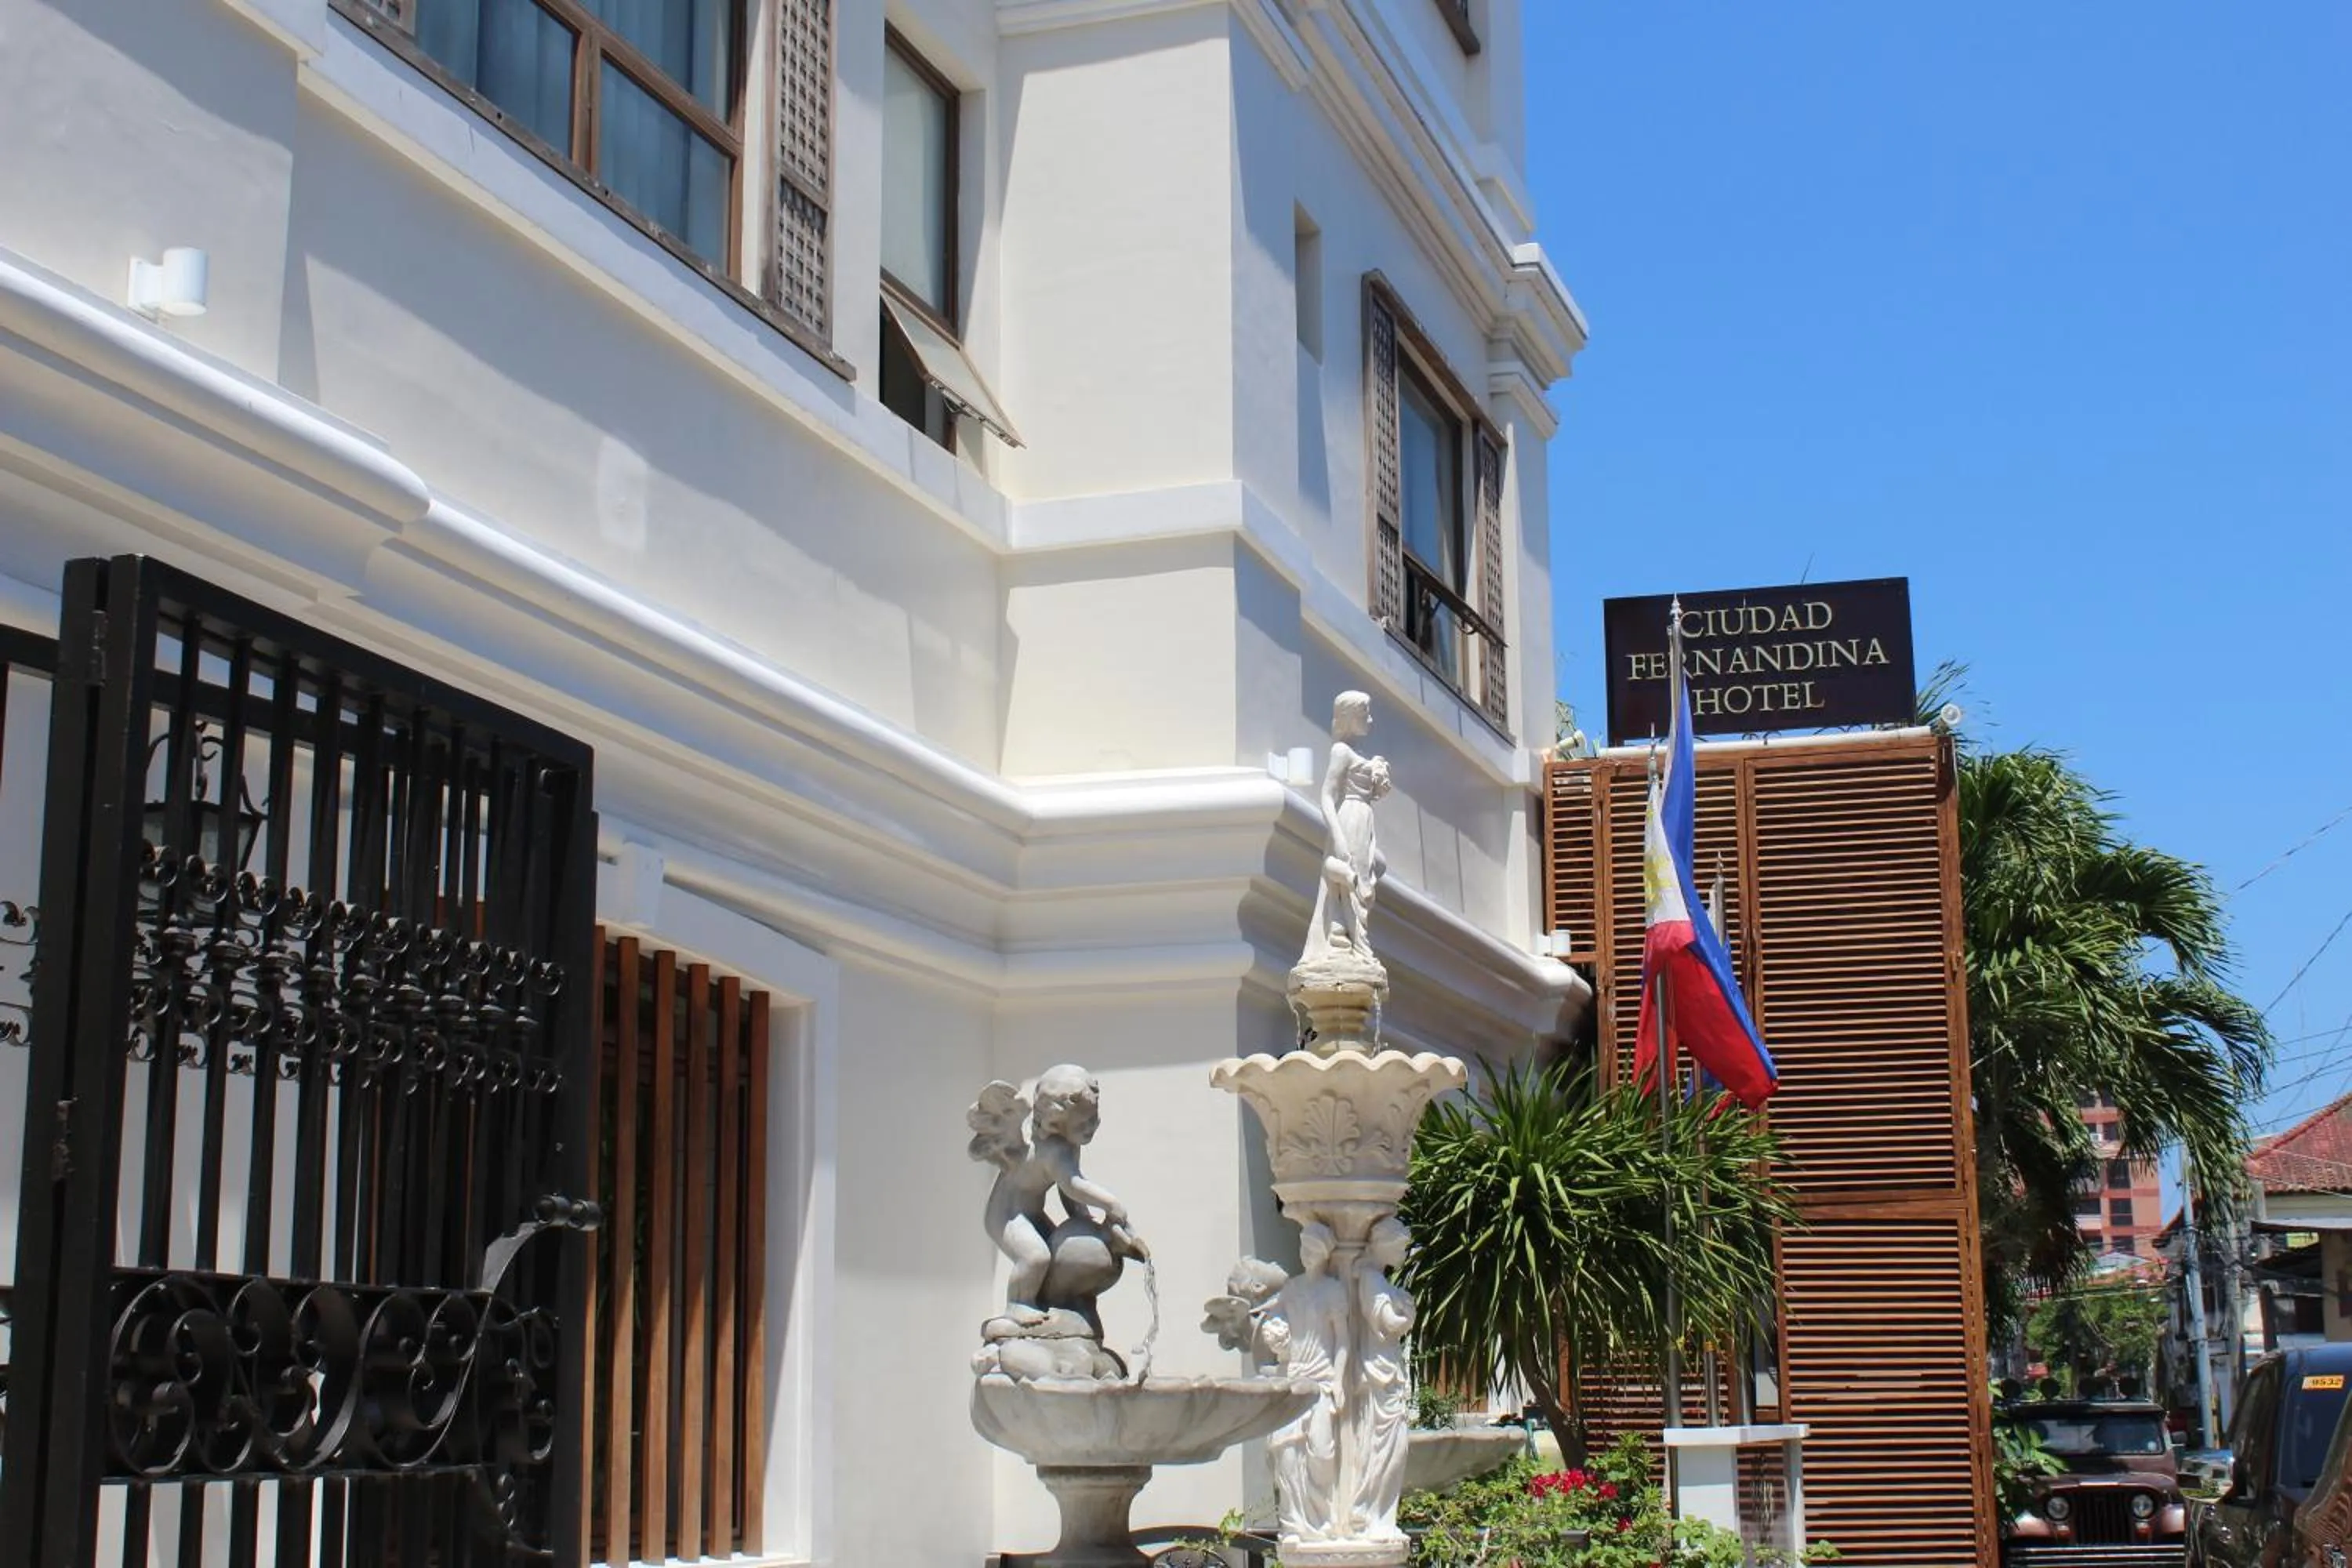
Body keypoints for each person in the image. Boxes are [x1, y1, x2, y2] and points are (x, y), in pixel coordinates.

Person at [1304, 691, 1391, 965]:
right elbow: (1327, 795)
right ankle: (1348, 938)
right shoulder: (1341, 751)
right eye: (1365, 715)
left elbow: (1373, 793)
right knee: (1357, 877)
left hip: (1365, 818)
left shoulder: (1360, 754)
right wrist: (1339, 838)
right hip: (1350, 816)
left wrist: (1379, 780)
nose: (1371, 720)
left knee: (1374, 868)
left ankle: (1349, 933)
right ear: (1350, 717)